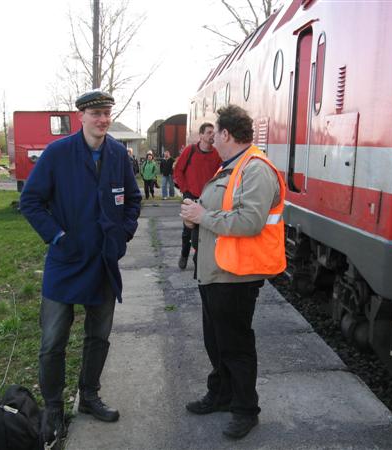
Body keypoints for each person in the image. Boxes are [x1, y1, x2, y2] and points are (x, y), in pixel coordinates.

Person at [20, 90, 142, 445]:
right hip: (65, 261)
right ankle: (54, 407)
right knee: (53, 341)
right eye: (96, 113)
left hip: (104, 261)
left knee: (99, 336)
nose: (103, 119)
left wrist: (124, 232)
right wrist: (57, 236)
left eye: (106, 113)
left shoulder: (118, 154)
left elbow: (133, 199)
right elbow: (31, 201)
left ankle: (89, 396)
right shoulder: (59, 153)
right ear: (81, 118)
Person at [180, 105, 286, 440]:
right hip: (215, 272)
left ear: (227, 134)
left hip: (236, 276)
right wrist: (193, 217)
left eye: (216, 134)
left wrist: (201, 216)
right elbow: (218, 210)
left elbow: (248, 222)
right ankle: (222, 394)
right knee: (216, 342)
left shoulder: (255, 169)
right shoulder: (232, 167)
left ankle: (245, 409)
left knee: (236, 346)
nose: (212, 139)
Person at [173, 123, 221, 270]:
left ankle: (198, 258)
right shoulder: (190, 150)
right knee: (187, 230)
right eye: (209, 132)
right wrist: (185, 189)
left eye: (213, 133)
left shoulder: (217, 154)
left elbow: (220, 174)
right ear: (201, 135)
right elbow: (178, 171)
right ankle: (184, 254)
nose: (212, 135)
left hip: (208, 199)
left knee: (205, 230)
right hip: (191, 196)